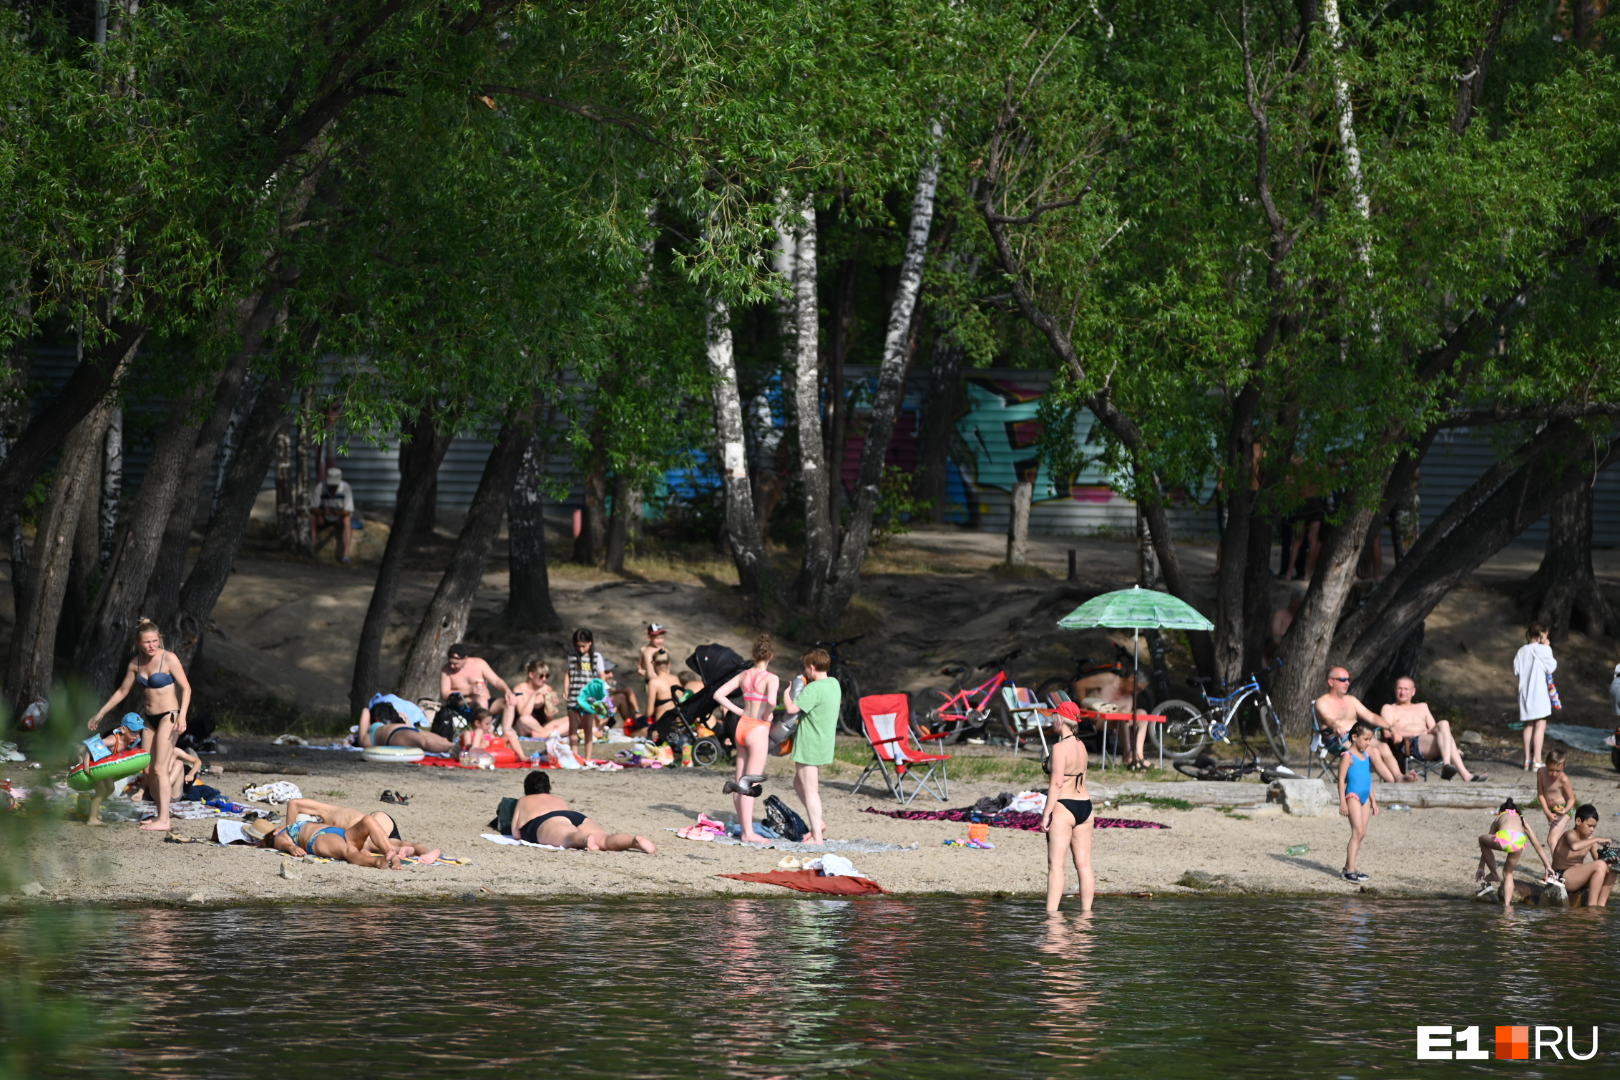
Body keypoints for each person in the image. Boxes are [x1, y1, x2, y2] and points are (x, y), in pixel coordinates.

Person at [87, 619, 192, 832]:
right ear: (138, 643)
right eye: (147, 642)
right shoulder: (135, 664)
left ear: (159, 639)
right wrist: (101, 713)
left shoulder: (169, 658)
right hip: (149, 718)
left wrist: (182, 716)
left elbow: (187, 688)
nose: (152, 645)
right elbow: (122, 692)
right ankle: (160, 811)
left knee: (161, 768)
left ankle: (164, 819)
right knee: (147, 767)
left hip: (168, 716)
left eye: (155, 641)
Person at [713, 634, 780, 843]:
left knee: (739, 780)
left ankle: (745, 828)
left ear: (754, 654)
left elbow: (718, 694)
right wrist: (768, 713)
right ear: (771, 656)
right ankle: (748, 832)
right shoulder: (771, 678)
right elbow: (771, 700)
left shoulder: (744, 675)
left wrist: (738, 710)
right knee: (749, 782)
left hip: (742, 726)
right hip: (758, 727)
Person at [509, 771, 656, 853]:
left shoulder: (524, 800)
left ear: (527, 789)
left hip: (545, 822)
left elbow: (516, 833)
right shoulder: (558, 799)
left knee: (570, 836)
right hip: (575, 816)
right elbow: (566, 817)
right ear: (548, 788)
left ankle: (585, 840)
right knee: (604, 838)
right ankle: (632, 841)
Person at [1314, 667, 1415, 784]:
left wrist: (1390, 727)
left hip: (1357, 736)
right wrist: (1335, 725)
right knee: (1372, 751)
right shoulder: (1322, 701)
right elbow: (1327, 718)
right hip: (1336, 739)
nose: (1347, 683)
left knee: (1383, 747)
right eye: (1342, 679)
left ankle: (1399, 777)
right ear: (1331, 682)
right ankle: (1392, 783)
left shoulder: (1351, 700)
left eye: (1348, 679)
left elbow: (1371, 716)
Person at [1040, 701, 1095, 913]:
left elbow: (1056, 783)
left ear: (1060, 719)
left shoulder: (1059, 748)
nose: (1052, 720)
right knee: (1084, 865)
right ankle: (1086, 917)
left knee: (1056, 865)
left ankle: (1052, 917)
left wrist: (1046, 813)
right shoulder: (1081, 746)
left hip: (1064, 806)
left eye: (1054, 717)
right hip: (1085, 806)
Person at [783, 647, 840, 845]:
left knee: (810, 790)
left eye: (806, 667)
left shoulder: (814, 689)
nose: (805, 671)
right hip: (823, 742)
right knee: (798, 784)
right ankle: (819, 823)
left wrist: (787, 692)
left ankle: (817, 836)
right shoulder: (834, 684)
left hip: (810, 743)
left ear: (812, 667)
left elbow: (791, 709)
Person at [1379, 676, 1485, 782]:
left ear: (1413, 691)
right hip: (1409, 744)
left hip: (1428, 742)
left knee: (1444, 724)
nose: (1402, 692)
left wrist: (1426, 732)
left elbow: (1435, 728)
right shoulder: (1389, 709)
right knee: (1448, 739)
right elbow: (1387, 733)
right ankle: (1463, 774)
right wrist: (1418, 732)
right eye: (1399, 688)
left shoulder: (1422, 707)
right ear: (1395, 690)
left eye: (1406, 689)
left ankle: (1447, 764)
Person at [279, 797, 439, 864]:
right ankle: (425, 853)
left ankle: (417, 852)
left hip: (371, 825)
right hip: (377, 820)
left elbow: (294, 803)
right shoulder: (328, 823)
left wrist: (289, 829)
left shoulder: (326, 811)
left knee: (387, 845)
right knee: (400, 843)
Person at [1475, 798, 1555, 908]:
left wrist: (1481, 867)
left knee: (1481, 839)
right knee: (1508, 873)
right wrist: (1547, 866)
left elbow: (1487, 845)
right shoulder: (1522, 820)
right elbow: (1536, 844)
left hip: (1504, 838)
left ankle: (1494, 873)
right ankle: (1507, 907)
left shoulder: (1499, 817)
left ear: (1501, 811)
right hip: (1519, 842)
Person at [258, 814, 403, 869]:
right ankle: (377, 862)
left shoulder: (288, 827)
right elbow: (282, 844)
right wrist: (291, 847)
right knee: (349, 851)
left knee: (368, 820)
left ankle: (393, 857)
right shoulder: (279, 835)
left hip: (338, 832)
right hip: (318, 838)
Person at [77, 714, 145, 826]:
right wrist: (86, 763)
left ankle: (90, 805)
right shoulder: (113, 739)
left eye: (139, 732)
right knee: (101, 790)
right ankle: (92, 818)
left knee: (110, 788)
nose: (137, 736)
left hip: (103, 767)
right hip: (94, 765)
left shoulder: (128, 742)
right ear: (123, 729)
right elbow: (90, 745)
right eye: (134, 732)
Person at [1336, 721, 1379, 883]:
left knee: (1362, 834)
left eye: (1370, 739)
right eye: (1366, 739)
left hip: (1365, 797)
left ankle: (1349, 868)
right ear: (1354, 737)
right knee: (1356, 832)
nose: (1368, 743)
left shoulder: (1366, 755)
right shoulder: (1348, 756)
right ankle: (1350, 870)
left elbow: (1368, 781)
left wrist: (1373, 801)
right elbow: (1340, 780)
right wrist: (1342, 802)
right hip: (1352, 796)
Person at [1549, 805, 1614, 908]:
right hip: (1560, 877)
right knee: (1599, 865)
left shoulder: (1591, 840)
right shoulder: (1569, 834)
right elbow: (1575, 846)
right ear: (1578, 821)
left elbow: (1599, 861)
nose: (1592, 830)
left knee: (1613, 868)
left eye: (1594, 827)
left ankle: (1601, 906)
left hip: (1577, 878)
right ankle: (1592, 907)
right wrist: (1596, 839)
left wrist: (1610, 859)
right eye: (1589, 826)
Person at [1513, 623, 1556, 771]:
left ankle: (1526, 760)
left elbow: (1516, 670)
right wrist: (1547, 647)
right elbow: (1551, 667)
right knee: (1540, 725)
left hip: (1524, 693)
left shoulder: (1521, 651)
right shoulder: (1543, 649)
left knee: (1528, 725)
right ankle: (1537, 760)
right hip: (1539, 693)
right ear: (1541, 635)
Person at [440, 644, 515, 727]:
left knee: (509, 703)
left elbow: (496, 681)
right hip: (464, 704)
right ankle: (484, 732)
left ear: (465, 658)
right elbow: (445, 693)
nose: (452, 666)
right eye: (450, 662)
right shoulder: (446, 670)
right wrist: (468, 691)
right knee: (481, 700)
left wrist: (507, 691)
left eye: (456, 663)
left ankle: (506, 732)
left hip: (487, 701)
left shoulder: (479, 663)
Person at [564, 628, 609, 761]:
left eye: (583, 646)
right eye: (578, 646)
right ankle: (574, 756)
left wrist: (601, 692)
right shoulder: (572, 657)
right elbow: (568, 674)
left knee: (587, 729)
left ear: (590, 643)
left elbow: (602, 675)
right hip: (573, 697)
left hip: (589, 699)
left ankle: (588, 758)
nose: (581, 649)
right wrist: (566, 689)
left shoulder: (596, 658)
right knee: (572, 729)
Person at [354, 699, 454, 754]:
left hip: (402, 731)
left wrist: (407, 722)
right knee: (425, 741)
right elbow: (365, 711)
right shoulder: (365, 739)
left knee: (442, 740)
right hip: (394, 735)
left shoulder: (370, 735)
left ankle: (455, 748)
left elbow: (366, 711)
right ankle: (453, 749)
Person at [510, 659, 568, 739]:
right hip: (524, 726)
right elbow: (523, 714)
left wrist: (550, 705)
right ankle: (551, 733)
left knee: (571, 719)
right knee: (525, 719)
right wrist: (534, 695)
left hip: (542, 727)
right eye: (541, 676)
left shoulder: (547, 689)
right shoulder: (519, 690)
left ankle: (544, 734)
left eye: (547, 676)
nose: (544, 679)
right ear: (531, 675)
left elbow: (550, 718)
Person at [309, 465, 356, 563]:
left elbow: (348, 510)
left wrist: (337, 512)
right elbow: (313, 508)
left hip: (339, 517)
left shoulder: (345, 488)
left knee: (347, 519)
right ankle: (313, 545)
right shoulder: (320, 487)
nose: (332, 488)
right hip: (324, 517)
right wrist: (323, 512)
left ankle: (346, 553)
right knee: (312, 517)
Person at [1536, 748, 1577, 850]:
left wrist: (1564, 810)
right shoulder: (1541, 772)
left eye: (1557, 771)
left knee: (1551, 839)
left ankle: (1558, 865)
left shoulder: (1564, 779)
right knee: (1555, 839)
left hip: (1564, 809)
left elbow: (1572, 799)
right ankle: (1564, 859)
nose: (1554, 774)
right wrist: (1547, 812)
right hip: (1551, 810)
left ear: (1563, 767)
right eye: (1551, 770)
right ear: (1546, 764)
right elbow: (1540, 793)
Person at [460, 707, 526, 764]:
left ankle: (522, 756)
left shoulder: (488, 733)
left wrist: (492, 736)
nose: (489, 726)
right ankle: (474, 753)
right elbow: (466, 746)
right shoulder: (469, 733)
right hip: (478, 753)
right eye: (487, 724)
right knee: (479, 731)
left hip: (492, 752)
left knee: (509, 733)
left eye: (490, 723)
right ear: (477, 723)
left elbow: (496, 743)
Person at [637, 623, 671, 719]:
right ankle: (650, 720)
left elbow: (668, 668)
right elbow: (640, 665)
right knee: (650, 703)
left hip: (662, 682)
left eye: (661, 638)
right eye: (657, 638)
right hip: (649, 683)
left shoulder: (665, 650)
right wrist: (641, 671)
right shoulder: (644, 650)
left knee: (661, 704)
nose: (660, 641)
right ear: (649, 637)